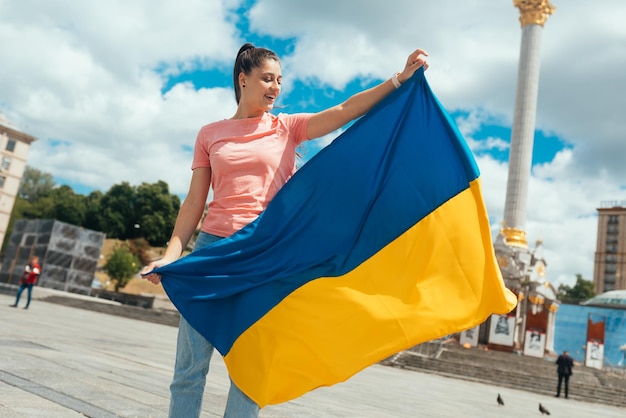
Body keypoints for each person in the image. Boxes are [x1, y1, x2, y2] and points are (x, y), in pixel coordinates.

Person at [142, 43, 428, 418]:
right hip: (211, 254)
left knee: (250, 375)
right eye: (267, 78)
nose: (276, 87)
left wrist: (398, 79)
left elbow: (343, 111)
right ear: (243, 80)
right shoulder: (210, 134)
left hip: (264, 255)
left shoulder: (286, 128)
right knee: (189, 369)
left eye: (280, 80)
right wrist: (171, 255)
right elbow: (194, 203)